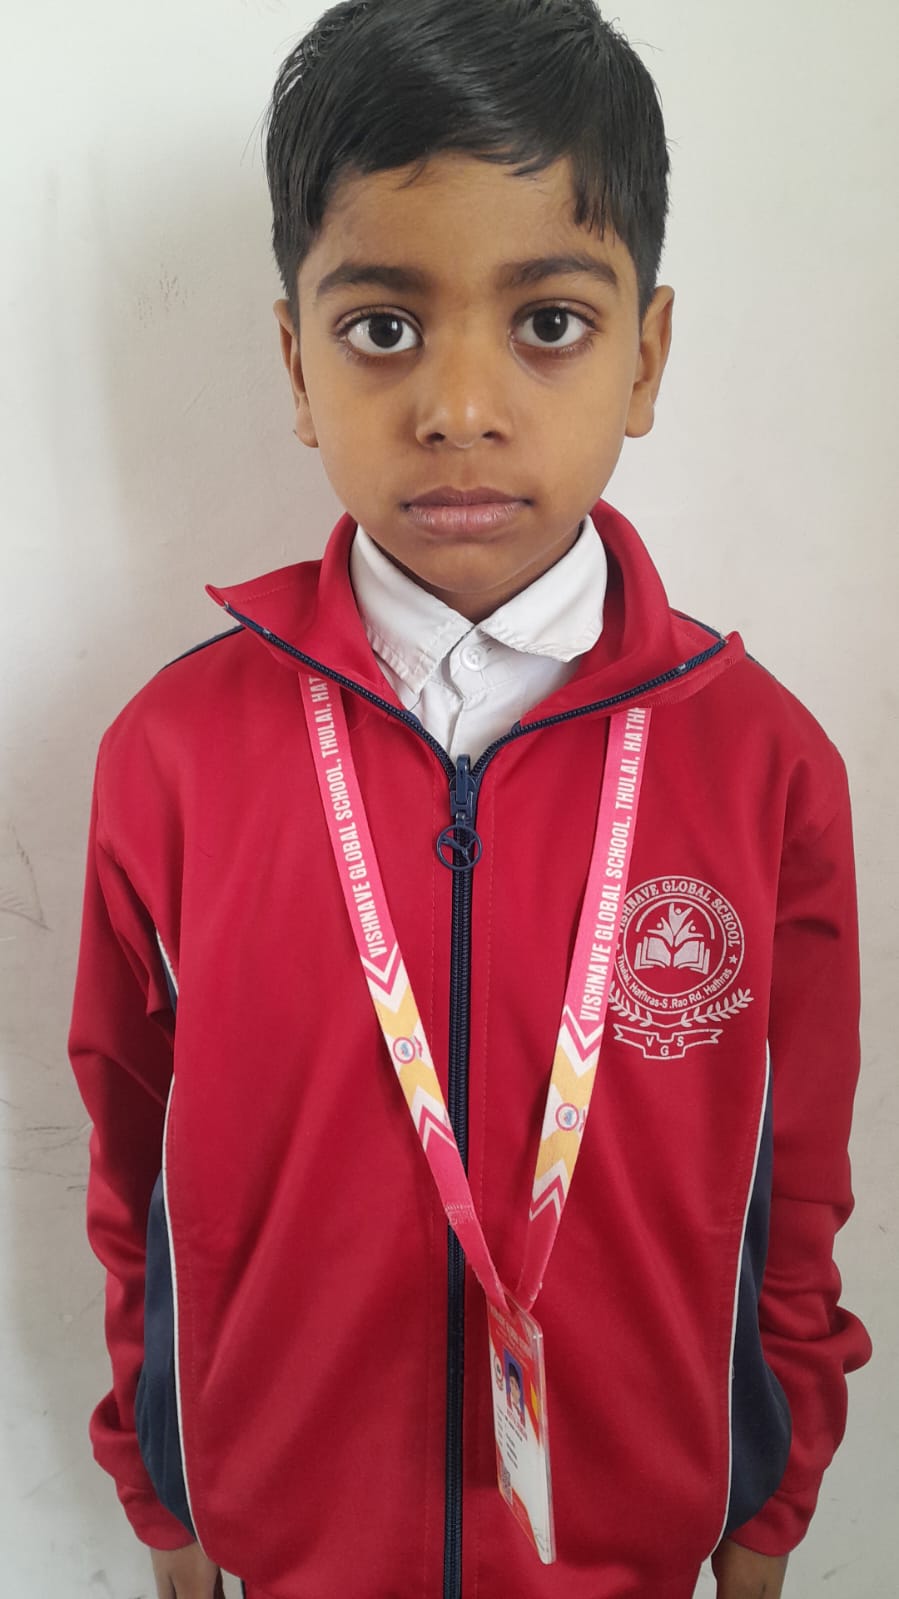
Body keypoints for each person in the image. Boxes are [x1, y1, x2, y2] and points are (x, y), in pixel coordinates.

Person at [67, 2, 872, 1596]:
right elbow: (131, 1156)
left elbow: (797, 1186)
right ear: (297, 367)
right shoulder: (173, 754)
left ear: (645, 358)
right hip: (286, 1542)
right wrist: (167, 1489)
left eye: (548, 322)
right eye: (382, 328)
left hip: (633, 1552)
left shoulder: (764, 765)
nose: (458, 405)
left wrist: (765, 1515)